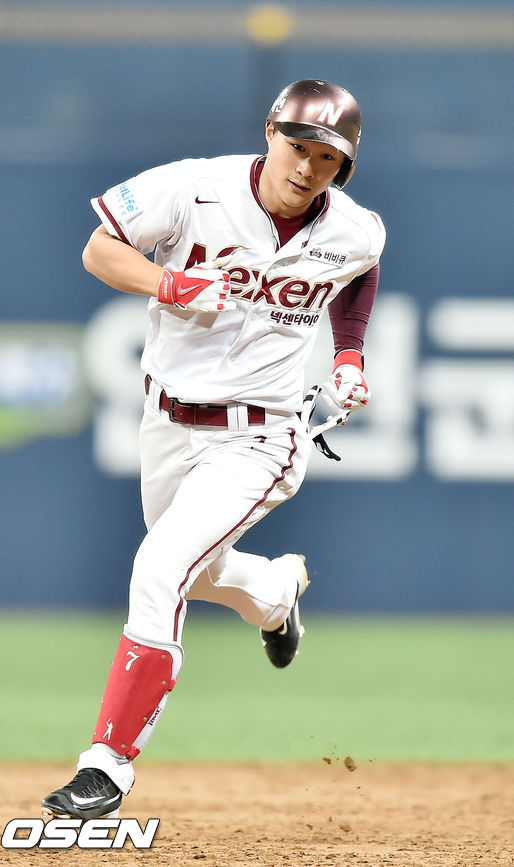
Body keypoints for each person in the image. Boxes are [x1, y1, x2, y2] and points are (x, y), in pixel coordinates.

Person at [42, 78, 385, 820]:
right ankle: (275, 593)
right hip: (167, 422)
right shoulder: (193, 189)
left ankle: (107, 763)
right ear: (270, 133)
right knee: (193, 572)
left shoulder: (354, 229)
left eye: (328, 158)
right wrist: (168, 284)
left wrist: (349, 356)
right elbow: (99, 249)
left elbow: (359, 271)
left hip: (262, 435)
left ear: (344, 167)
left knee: (160, 567)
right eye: (298, 146)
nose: (308, 167)